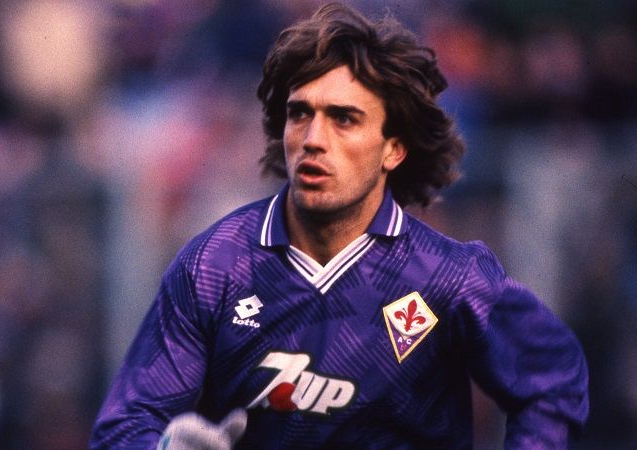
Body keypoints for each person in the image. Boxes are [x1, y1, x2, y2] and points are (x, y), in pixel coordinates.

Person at [90, 3, 589, 449]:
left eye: (343, 118)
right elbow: (126, 423)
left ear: (393, 148)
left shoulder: (449, 278)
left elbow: (552, 380)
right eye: (299, 114)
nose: (313, 138)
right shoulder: (214, 267)